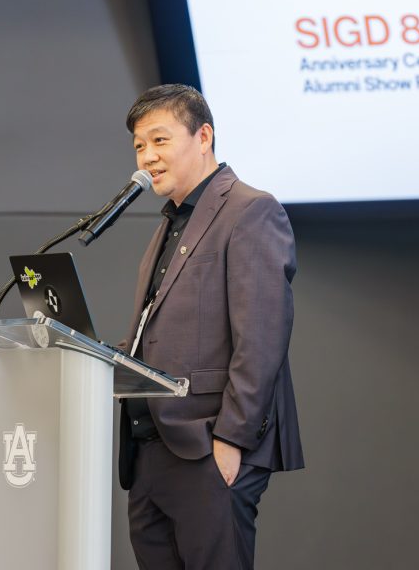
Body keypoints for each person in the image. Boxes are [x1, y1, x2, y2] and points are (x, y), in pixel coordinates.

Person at [118, 83, 304, 570]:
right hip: (150, 451)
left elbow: (261, 338)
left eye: (159, 140)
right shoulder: (170, 223)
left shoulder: (250, 210)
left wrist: (231, 440)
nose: (147, 156)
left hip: (208, 446)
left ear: (204, 136)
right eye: (139, 145)